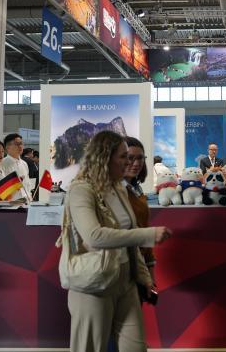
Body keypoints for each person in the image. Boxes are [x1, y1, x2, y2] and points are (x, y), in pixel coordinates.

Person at [66, 131, 171, 352]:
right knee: (90, 347)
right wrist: (148, 235)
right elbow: (94, 236)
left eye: (134, 157)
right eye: (124, 156)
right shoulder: (81, 190)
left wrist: (144, 276)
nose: (130, 162)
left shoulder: (119, 188)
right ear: (105, 157)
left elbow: (129, 234)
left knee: (136, 347)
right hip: (95, 282)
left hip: (126, 280)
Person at [124, 137, 157, 283]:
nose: (137, 163)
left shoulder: (137, 189)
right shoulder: (111, 192)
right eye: (130, 158)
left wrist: (150, 268)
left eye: (140, 158)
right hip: (121, 265)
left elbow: (144, 229)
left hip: (140, 261)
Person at [0, 133, 31, 200]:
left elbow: (27, 184)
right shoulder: (2, 164)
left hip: (26, 201)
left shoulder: (24, 164)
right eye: (17, 144)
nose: (20, 146)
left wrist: (29, 196)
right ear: (7, 147)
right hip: (11, 202)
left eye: (21, 143)